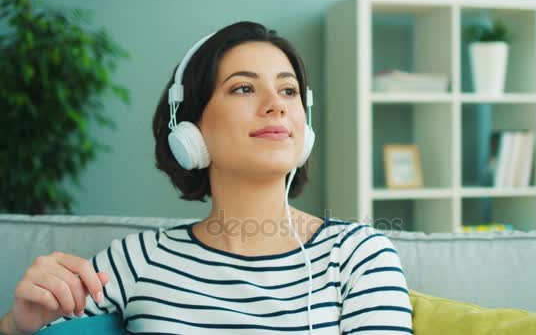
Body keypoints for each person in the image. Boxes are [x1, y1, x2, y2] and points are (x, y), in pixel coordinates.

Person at [0, 21, 413, 334]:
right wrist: (20, 327)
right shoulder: (136, 261)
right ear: (189, 131)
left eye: (288, 91)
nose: (276, 106)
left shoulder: (360, 255)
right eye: (243, 89)